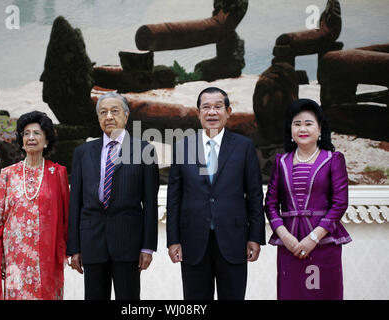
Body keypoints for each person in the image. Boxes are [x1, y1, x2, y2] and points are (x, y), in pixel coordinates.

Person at [166, 87, 266, 300]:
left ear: (228, 111)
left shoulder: (244, 147)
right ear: (198, 113)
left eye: (218, 107)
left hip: (234, 239)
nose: (212, 112)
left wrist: (255, 237)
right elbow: (174, 198)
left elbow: (255, 195)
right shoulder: (182, 147)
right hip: (193, 241)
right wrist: (173, 240)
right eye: (206, 107)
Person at [66, 92, 159, 300]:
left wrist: (148, 246)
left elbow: (150, 203)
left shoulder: (145, 150)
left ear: (126, 116)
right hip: (92, 241)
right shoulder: (83, 152)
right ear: (98, 118)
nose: (108, 116)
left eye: (114, 111)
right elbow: (75, 203)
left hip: (129, 243)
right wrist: (74, 247)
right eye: (103, 112)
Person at [265, 98, 352, 300]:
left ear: (320, 128)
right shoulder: (281, 161)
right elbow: (270, 204)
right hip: (290, 245)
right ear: (291, 130)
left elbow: (340, 204)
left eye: (308, 123)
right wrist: (286, 238)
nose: (302, 129)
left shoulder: (333, 159)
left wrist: (313, 239)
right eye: (297, 124)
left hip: (323, 243)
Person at [0, 111, 69, 300]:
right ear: (21, 140)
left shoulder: (58, 173)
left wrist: (67, 252)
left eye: (37, 133)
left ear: (46, 139)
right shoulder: (8, 174)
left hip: (47, 256)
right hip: (14, 254)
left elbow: (65, 218)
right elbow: (0, 219)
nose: (31, 137)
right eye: (26, 133)